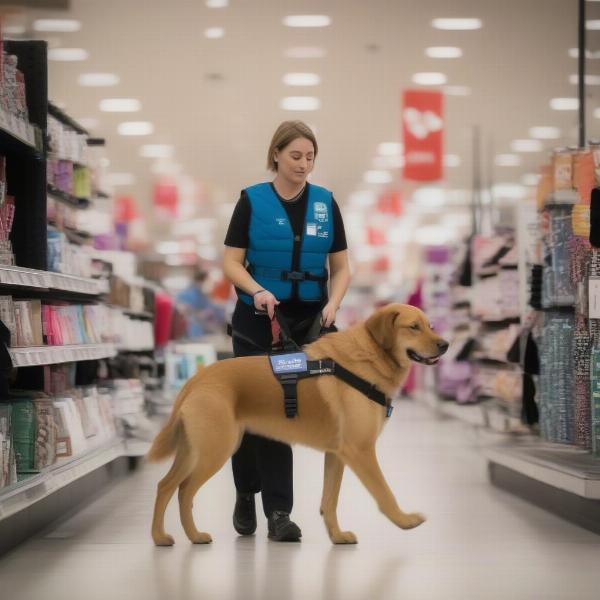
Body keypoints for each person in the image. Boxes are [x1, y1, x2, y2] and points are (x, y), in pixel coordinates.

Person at [222, 120, 351, 542]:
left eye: (310, 156)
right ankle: (245, 491)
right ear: (275, 154)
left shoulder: (325, 203)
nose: (303, 164)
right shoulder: (251, 201)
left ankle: (279, 512)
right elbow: (230, 262)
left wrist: (333, 303)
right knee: (249, 412)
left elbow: (342, 267)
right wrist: (257, 290)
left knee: (282, 411)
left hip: (304, 324)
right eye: (296, 155)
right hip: (256, 324)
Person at [175, 270, 225, 338]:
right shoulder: (186, 294)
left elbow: (214, 313)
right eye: (208, 281)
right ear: (202, 281)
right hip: (187, 334)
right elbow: (182, 313)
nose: (210, 284)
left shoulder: (204, 295)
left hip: (199, 333)